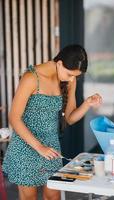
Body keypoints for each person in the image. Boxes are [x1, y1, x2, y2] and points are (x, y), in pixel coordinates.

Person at [2, 44, 102, 200]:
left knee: (53, 195)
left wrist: (87, 103)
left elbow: (70, 117)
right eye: (69, 74)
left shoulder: (70, 79)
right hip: (26, 146)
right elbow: (14, 117)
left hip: (51, 147)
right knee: (30, 198)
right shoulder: (31, 77)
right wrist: (39, 147)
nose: (71, 79)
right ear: (60, 63)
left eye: (75, 76)